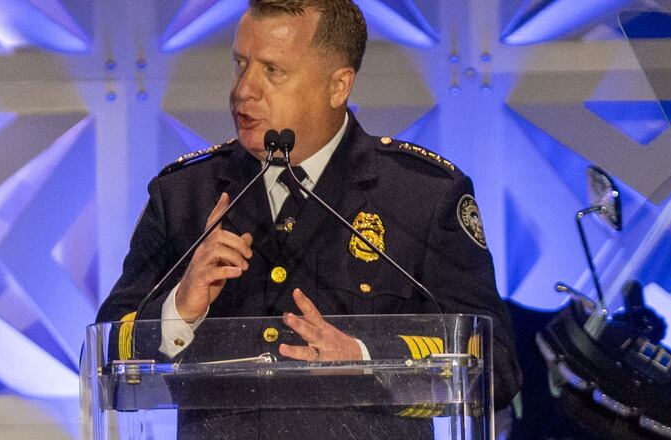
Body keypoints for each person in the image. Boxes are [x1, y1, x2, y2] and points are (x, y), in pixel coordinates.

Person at [97, 0, 521, 437]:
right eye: (240, 65)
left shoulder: (422, 195)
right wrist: (179, 310)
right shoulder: (184, 196)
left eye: (272, 71)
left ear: (338, 86)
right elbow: (104, 361)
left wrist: (364, 358)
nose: (244, 90)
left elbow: (497, 367)